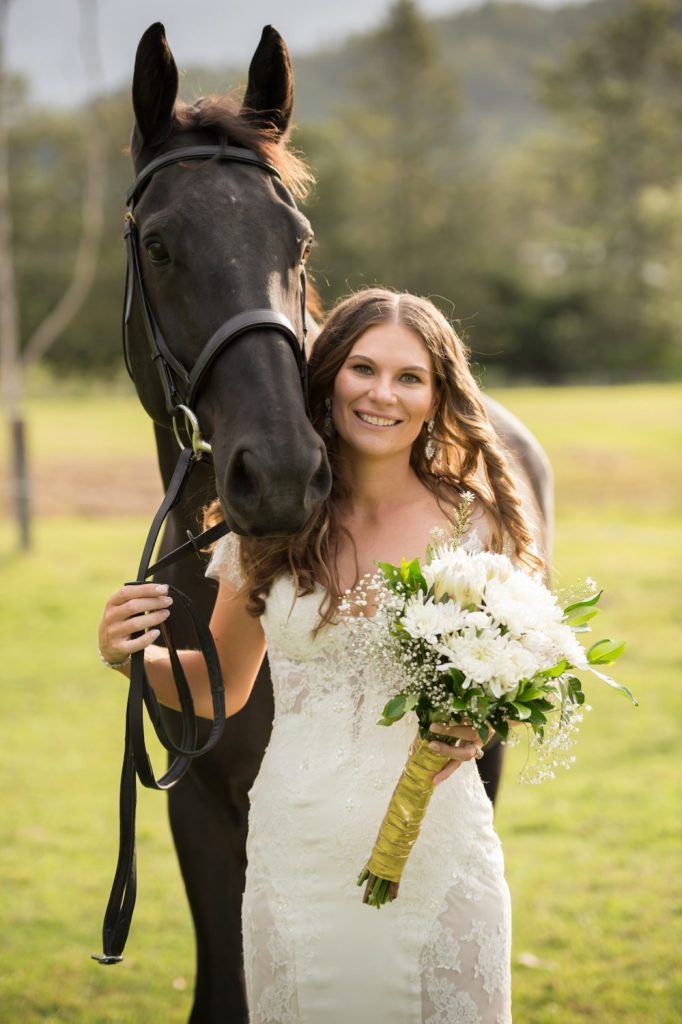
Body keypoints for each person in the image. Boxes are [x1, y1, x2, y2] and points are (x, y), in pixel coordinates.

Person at [99, 288, 541, 1023]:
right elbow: (217, 689)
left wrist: (483, 722)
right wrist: (127, 660)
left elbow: (509, 679)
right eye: (363, 369)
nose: (382, 394)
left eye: (408, 377)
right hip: (299, 847)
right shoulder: (267, 528)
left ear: (436, 397)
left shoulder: (476, 523)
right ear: (328, 377)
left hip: (440, 849)